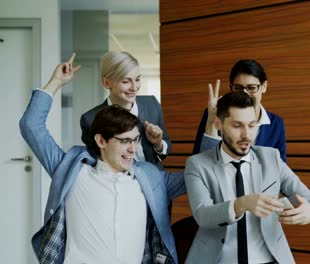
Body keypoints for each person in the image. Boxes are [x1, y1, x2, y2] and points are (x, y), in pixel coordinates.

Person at [20, 53, 185, 264]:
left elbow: (198, 173)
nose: (132, 149)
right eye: (124, 141)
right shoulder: (72, 170)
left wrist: (214, 128)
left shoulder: (150, 179)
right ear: (100, 141)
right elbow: (31, 126)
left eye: (135, 140)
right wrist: (56, 83)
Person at [184, 91, 310, 264]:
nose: (247, 135)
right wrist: (241, 204)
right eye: (237, 126)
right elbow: (203, 215)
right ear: (218, 124)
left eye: (252, 125)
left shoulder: (272, 159)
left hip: (269, 260)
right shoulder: (197, 164)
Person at [81, 51, 170, 170]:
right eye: (126, 81)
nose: (134, 87)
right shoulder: (90, 119)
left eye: (137, 79)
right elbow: (96, 163)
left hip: (155, 179)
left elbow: (165, 149)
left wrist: (158, 143)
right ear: (107, 83)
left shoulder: (152, 105)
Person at [192, 59, 287, 162]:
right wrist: (211, 122)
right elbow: (198, 162)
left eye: (251, 88)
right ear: (231, 88)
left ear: (264, 87)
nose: (245, 93)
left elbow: (280, 166)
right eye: (238, 88)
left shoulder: (276, 123)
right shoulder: (214, 115)